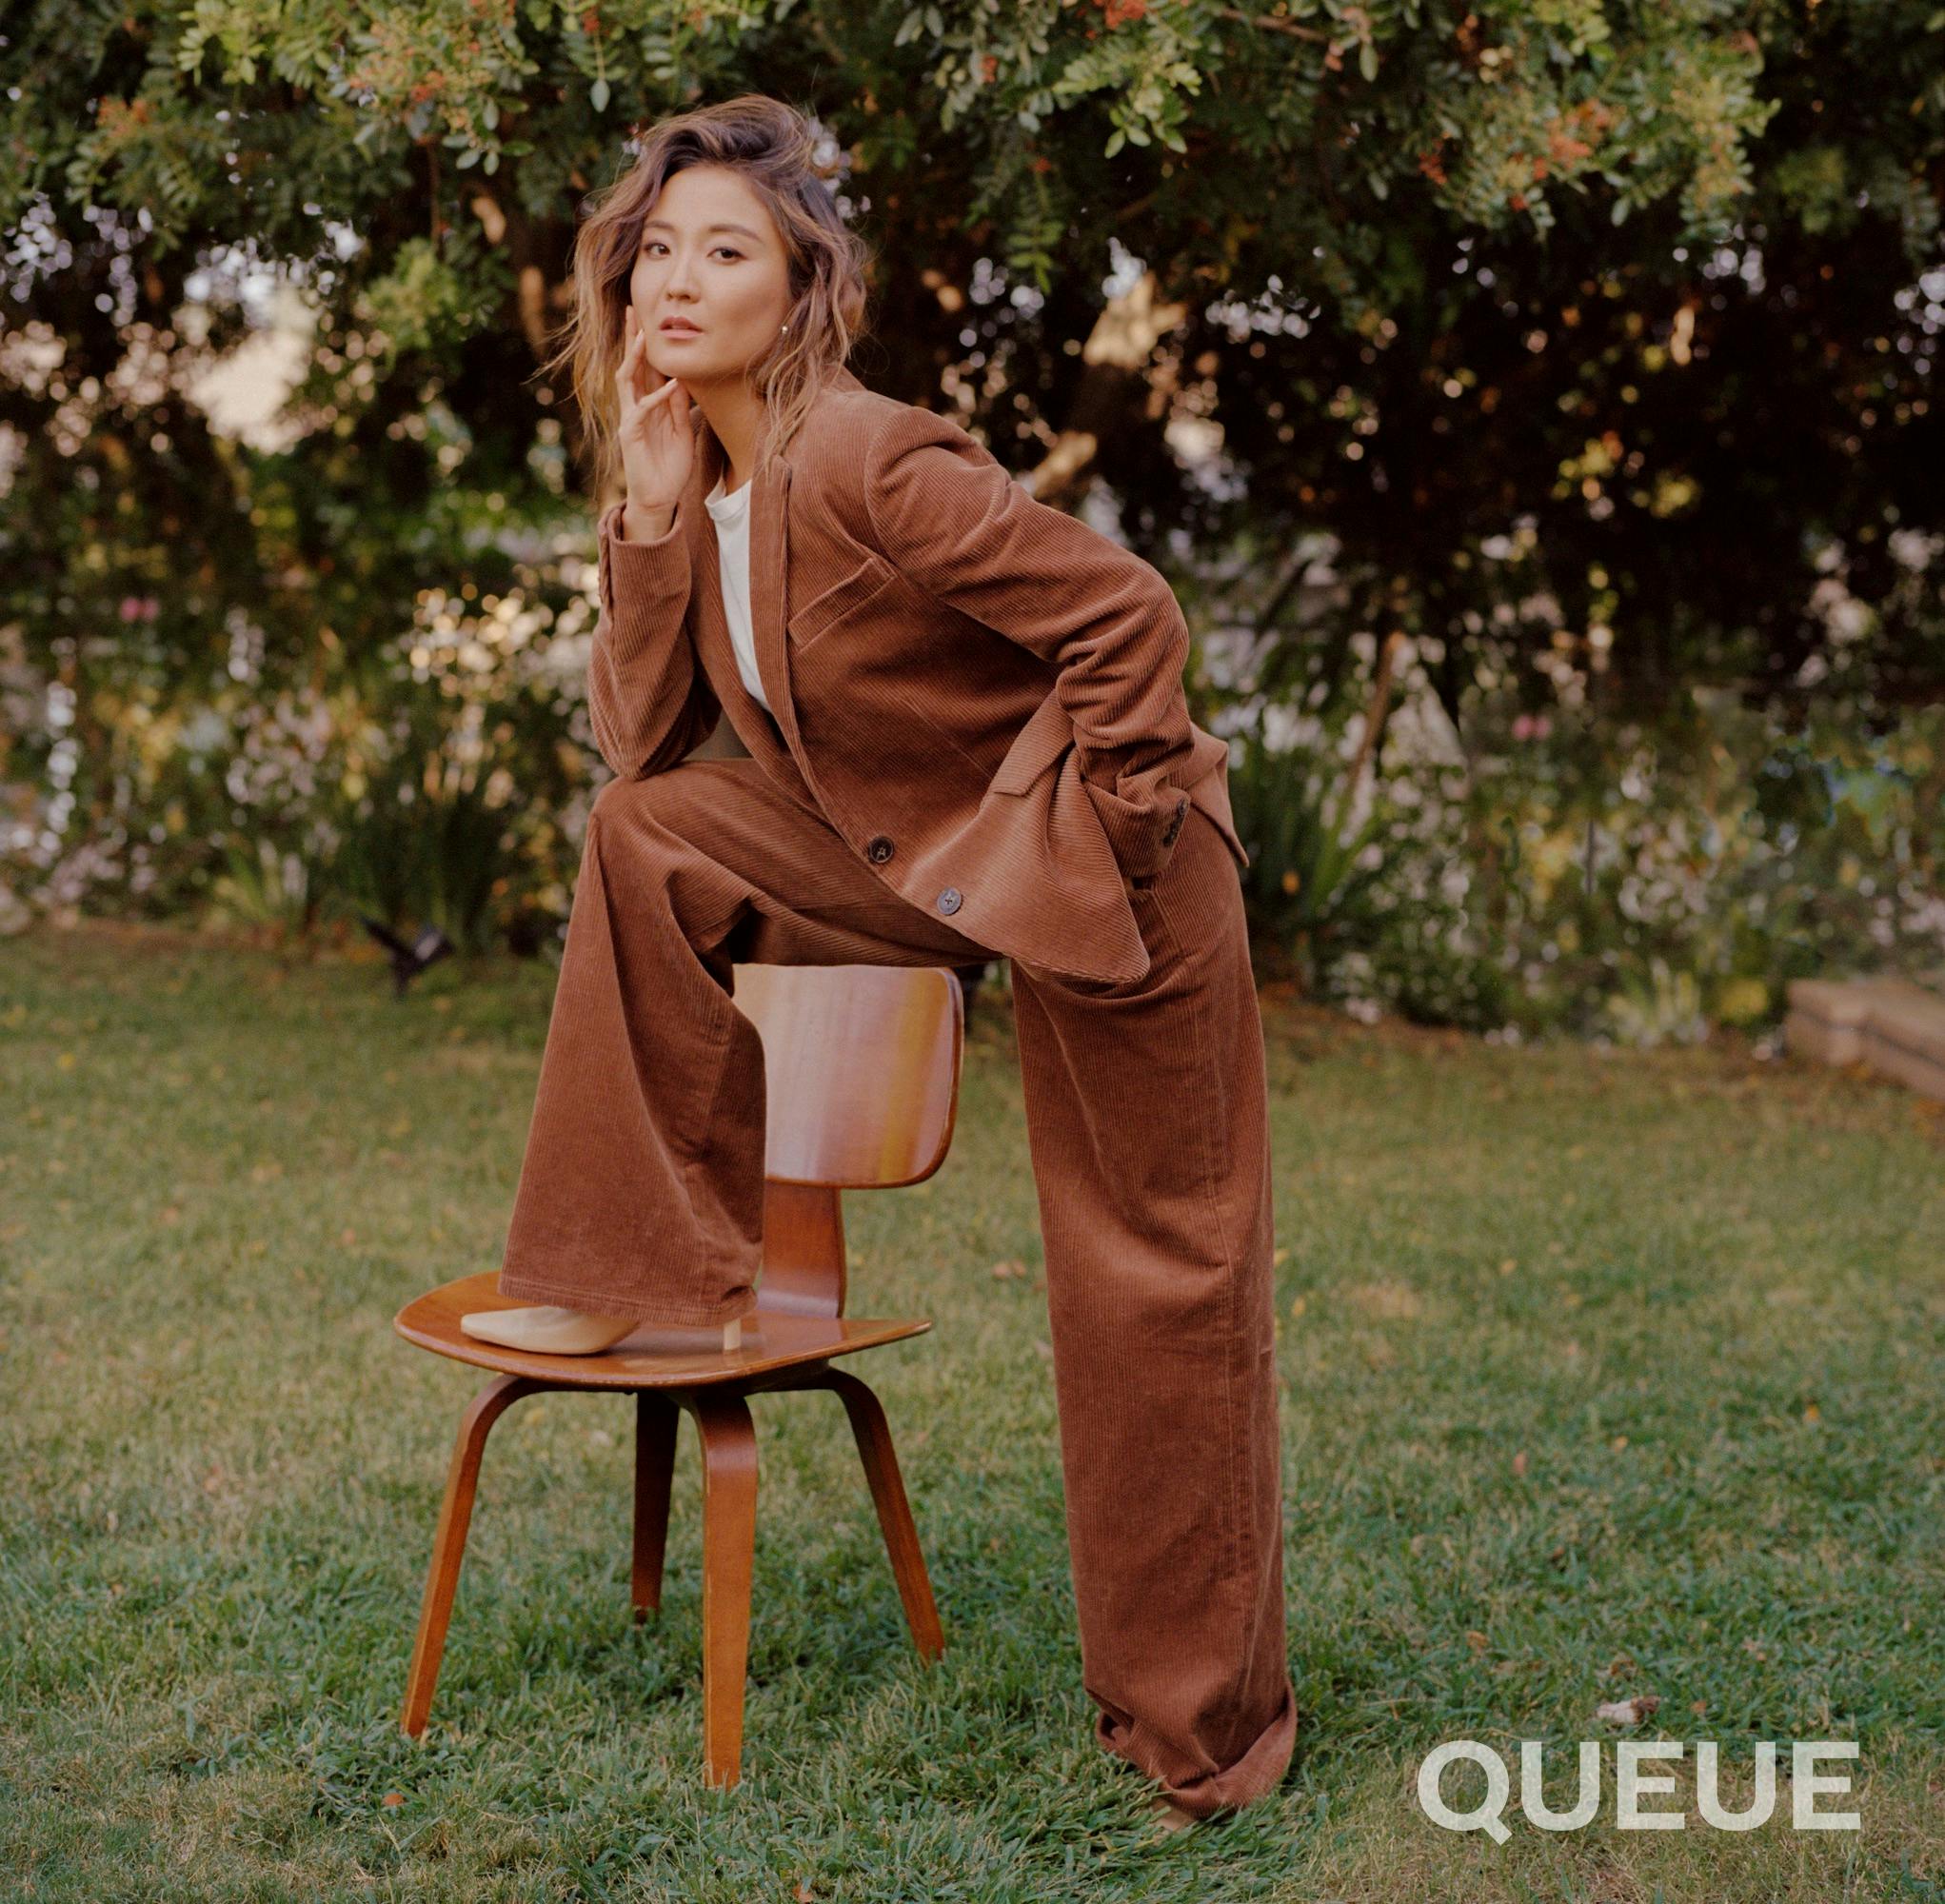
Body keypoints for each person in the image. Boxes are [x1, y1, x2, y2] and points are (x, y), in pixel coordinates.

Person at [462, 92, 1297, 1824]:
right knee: (649, 835)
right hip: (925, 869)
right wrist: (640, 511)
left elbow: (1124, 613)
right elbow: (640, 755)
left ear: (802, 287)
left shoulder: (864, 454)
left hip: (1108, 868)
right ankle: (632, 1260)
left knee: (1151, 1280)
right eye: (657, 250)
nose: (676, 279)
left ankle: (1203, 1738)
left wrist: (1132, 826)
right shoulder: (713, 481)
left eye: (726, 251)